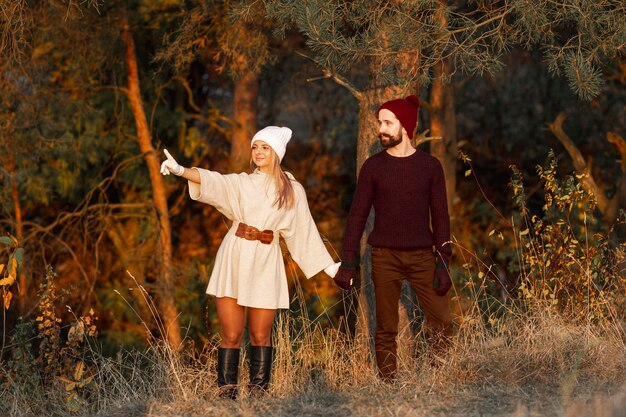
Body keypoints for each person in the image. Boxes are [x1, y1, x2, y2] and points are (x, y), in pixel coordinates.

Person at [160, 126, 341, 398]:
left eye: (265, 147)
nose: (258, 152)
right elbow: (213, 181)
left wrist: (329, 267)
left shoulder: (292, 191)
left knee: (260, 335)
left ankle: (258, 398)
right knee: (231, 335)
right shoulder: (241, 182)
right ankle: (227, 397)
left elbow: (303, 231)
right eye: (255, 146)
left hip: (266, 262)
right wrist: (180, 170)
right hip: (234, 257)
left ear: (277, 153)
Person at [333, 95, 453, 381]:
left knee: (442, 323)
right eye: (380, 123)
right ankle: (389, 385)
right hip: (384, 256)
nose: (381, 129)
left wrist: (443, 262)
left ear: (406, 126)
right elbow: (357, 217)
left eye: (388, 123)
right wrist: (348, 262)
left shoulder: (430, 167)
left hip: (423, 255)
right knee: (386, 326)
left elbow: (441, 217)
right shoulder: (373, 167)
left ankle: (440, 379)